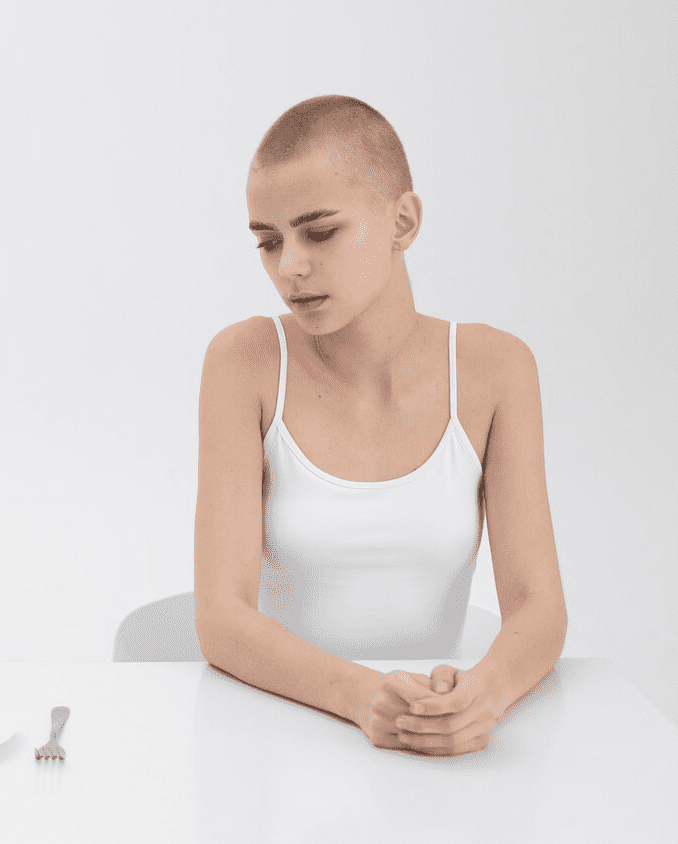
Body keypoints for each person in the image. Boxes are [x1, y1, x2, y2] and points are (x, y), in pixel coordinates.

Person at [193, 95, 567, 756]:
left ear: (403, 221)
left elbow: (539, 607)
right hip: (276, 737)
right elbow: (222, 619)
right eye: (269, 241)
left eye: (320, 232)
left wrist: (483, 695)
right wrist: (360, 696)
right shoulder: (245, 362)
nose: (289, 267)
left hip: (425, 740)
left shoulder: (496, 370)